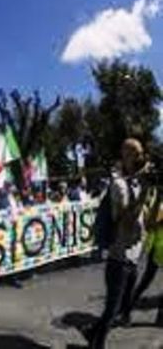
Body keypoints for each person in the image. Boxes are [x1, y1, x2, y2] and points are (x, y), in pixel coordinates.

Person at [85, 139, 157, 349]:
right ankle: (97, 343)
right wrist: (144, 191)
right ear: (125, 156)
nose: (141, 158)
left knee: (119, 307)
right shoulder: (119, 184)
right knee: (112, 309)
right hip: (119, 258)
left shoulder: (139, 185)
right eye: (136, 153)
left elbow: (150, 223)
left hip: (134, 258)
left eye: (142, 153)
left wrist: (156, 192)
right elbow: (125, 221)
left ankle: (91, 333)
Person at [117, 188, 162, 326]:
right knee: (145, 282)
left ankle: (160, 317)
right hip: (157, 247)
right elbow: (150, 224)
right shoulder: (158, 200)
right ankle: (126, 312)